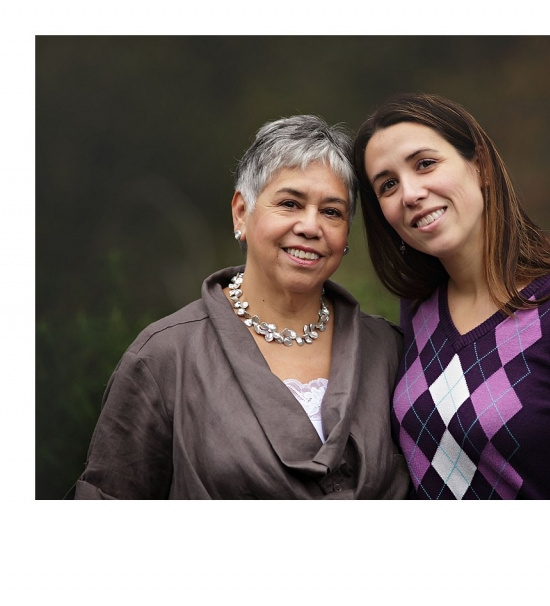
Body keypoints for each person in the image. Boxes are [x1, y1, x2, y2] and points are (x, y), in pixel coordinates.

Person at [74, 114, 411, 499]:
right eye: (289, 203)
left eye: (332, 212)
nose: (310, 226)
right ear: (241, 212)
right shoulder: (164, 358)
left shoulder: (389, 349)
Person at [353, 92, 550, 499]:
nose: (410, 193)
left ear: (479, 165)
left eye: (425, 164)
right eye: (388, 185)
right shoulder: (419, 312)